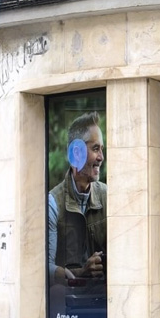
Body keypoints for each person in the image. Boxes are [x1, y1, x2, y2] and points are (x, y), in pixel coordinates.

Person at [47, 111, 107, 285]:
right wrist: (83, 272)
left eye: (102, 149)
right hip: (67, 302)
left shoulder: (108, 196)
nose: (101, 157)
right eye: (96, 149)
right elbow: (46, 268)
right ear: (77, 153)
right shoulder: (53, 203)